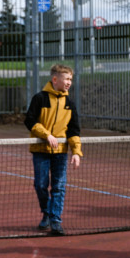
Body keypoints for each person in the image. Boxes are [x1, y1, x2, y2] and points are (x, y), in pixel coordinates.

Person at [24, 64, 82, 236]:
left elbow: (74, 130)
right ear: (55, 79)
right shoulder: (39, 98)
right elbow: (30, 120)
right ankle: (47, 213)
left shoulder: (70, 104)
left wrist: (76, 152)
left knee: (59, 186)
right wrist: (46, 135)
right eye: (66, 79)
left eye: (71, 79)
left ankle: (55, 220)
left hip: (61, 153)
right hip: (40, 150)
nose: (69, 82)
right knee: (41, 185)